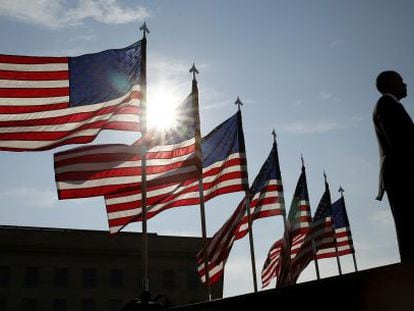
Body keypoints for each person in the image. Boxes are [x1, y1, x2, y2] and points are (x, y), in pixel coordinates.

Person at [373, 70, 414, 262]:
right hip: (403, 175)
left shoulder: (389, 105)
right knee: (408, 226)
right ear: (390, 84)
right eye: (401, 81)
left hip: (401, 174)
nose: (405, 85)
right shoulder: (387, 104)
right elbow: (402, 142)